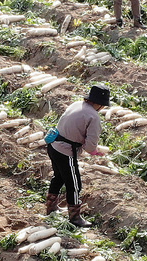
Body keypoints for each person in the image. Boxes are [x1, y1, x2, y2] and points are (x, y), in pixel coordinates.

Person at [45, 85, 109, 228]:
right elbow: (89, 146)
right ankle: (75, 217)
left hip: (53, 145)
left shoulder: (77, 104)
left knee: (59, 176)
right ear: (98, 104)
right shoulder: (94, 116)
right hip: (65, 151)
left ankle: (51, 207)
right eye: (103, 105)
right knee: (74, 185)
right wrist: (96, 151)